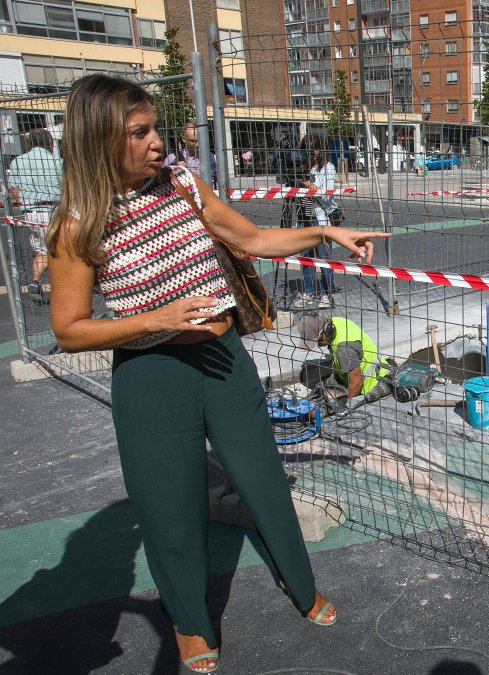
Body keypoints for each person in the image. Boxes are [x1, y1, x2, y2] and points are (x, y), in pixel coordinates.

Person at [46, 74, 389, 674]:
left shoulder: (180, 183)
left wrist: (324, 232)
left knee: (263, 482)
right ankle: (191, 624)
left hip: (224, 362)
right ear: (101, 140)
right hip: (151, 375)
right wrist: (155, 318)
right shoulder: (78, 222)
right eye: (140, 132)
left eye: (156, 126)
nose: (159, 141)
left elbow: (252, 237)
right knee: (168, 509)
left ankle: (301, 588)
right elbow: (69, 329)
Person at [5, 128, 62, 302]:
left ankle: (35, 281)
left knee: (42, 249)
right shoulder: (57, 161)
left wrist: (24, 200)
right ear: (49, 142)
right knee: (62, 249)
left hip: (30, 212)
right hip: (53, 210)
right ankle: (64, 287)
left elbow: (13, 188)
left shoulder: (17, 162)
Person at [297, 313, 391, 402]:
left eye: (318, 340)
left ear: (327, 330)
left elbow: (357, 383)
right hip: (372, 375)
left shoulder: (343, 348)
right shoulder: (337, 322)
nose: (318, 344)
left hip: (372, 386)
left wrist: (346, 405)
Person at [293, 134, 338, 309]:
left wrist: (308, 184)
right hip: (304, 216)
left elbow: (327, 197)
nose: (312, 153)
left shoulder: (328, 168)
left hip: (321, 217)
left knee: (324, 257)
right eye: (308, 149)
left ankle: (325, 294)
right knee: (306, 257)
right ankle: (309, 292)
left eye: (315, 148)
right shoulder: (303, 167)